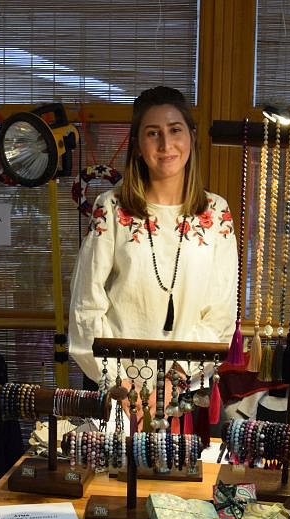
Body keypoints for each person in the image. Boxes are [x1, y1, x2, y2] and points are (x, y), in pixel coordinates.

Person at [68, 86, 238, 383]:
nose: (165, 144)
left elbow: (221, 311)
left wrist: (175, 380)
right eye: (152, 133)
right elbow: (86, 302)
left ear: (192, 137)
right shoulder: (111, 208)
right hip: (117, 383)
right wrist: (120, 383)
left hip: (187, 386)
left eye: (175, 130)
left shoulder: (215, 211)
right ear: (136, 145)